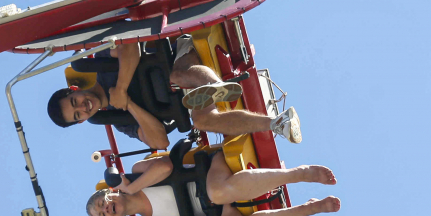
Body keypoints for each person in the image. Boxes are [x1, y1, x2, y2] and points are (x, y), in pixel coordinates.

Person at [48, 36, 302, 148]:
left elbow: (130, 46)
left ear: (74, 89)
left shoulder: (102, 66)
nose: (82, 107)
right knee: (203, 120)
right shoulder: (121, 122)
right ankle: (277, 123)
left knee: (176, 76)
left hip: (179, 51)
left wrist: (121, 87)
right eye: (77, 115)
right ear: (82, 121)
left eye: (75, 101)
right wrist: (129, 105)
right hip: (187, 95)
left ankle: (215, 86)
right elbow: (160, 141)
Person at [85, 152, 339, 216]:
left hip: (212, 171)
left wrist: (131, 186)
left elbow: (164, 166)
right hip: (218, 212)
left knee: (217, 192)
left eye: (101, 202)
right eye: (102, 215)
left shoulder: (137, 173)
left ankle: (300, 173)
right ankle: (309, 208)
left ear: (110, 191)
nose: (104, 209)